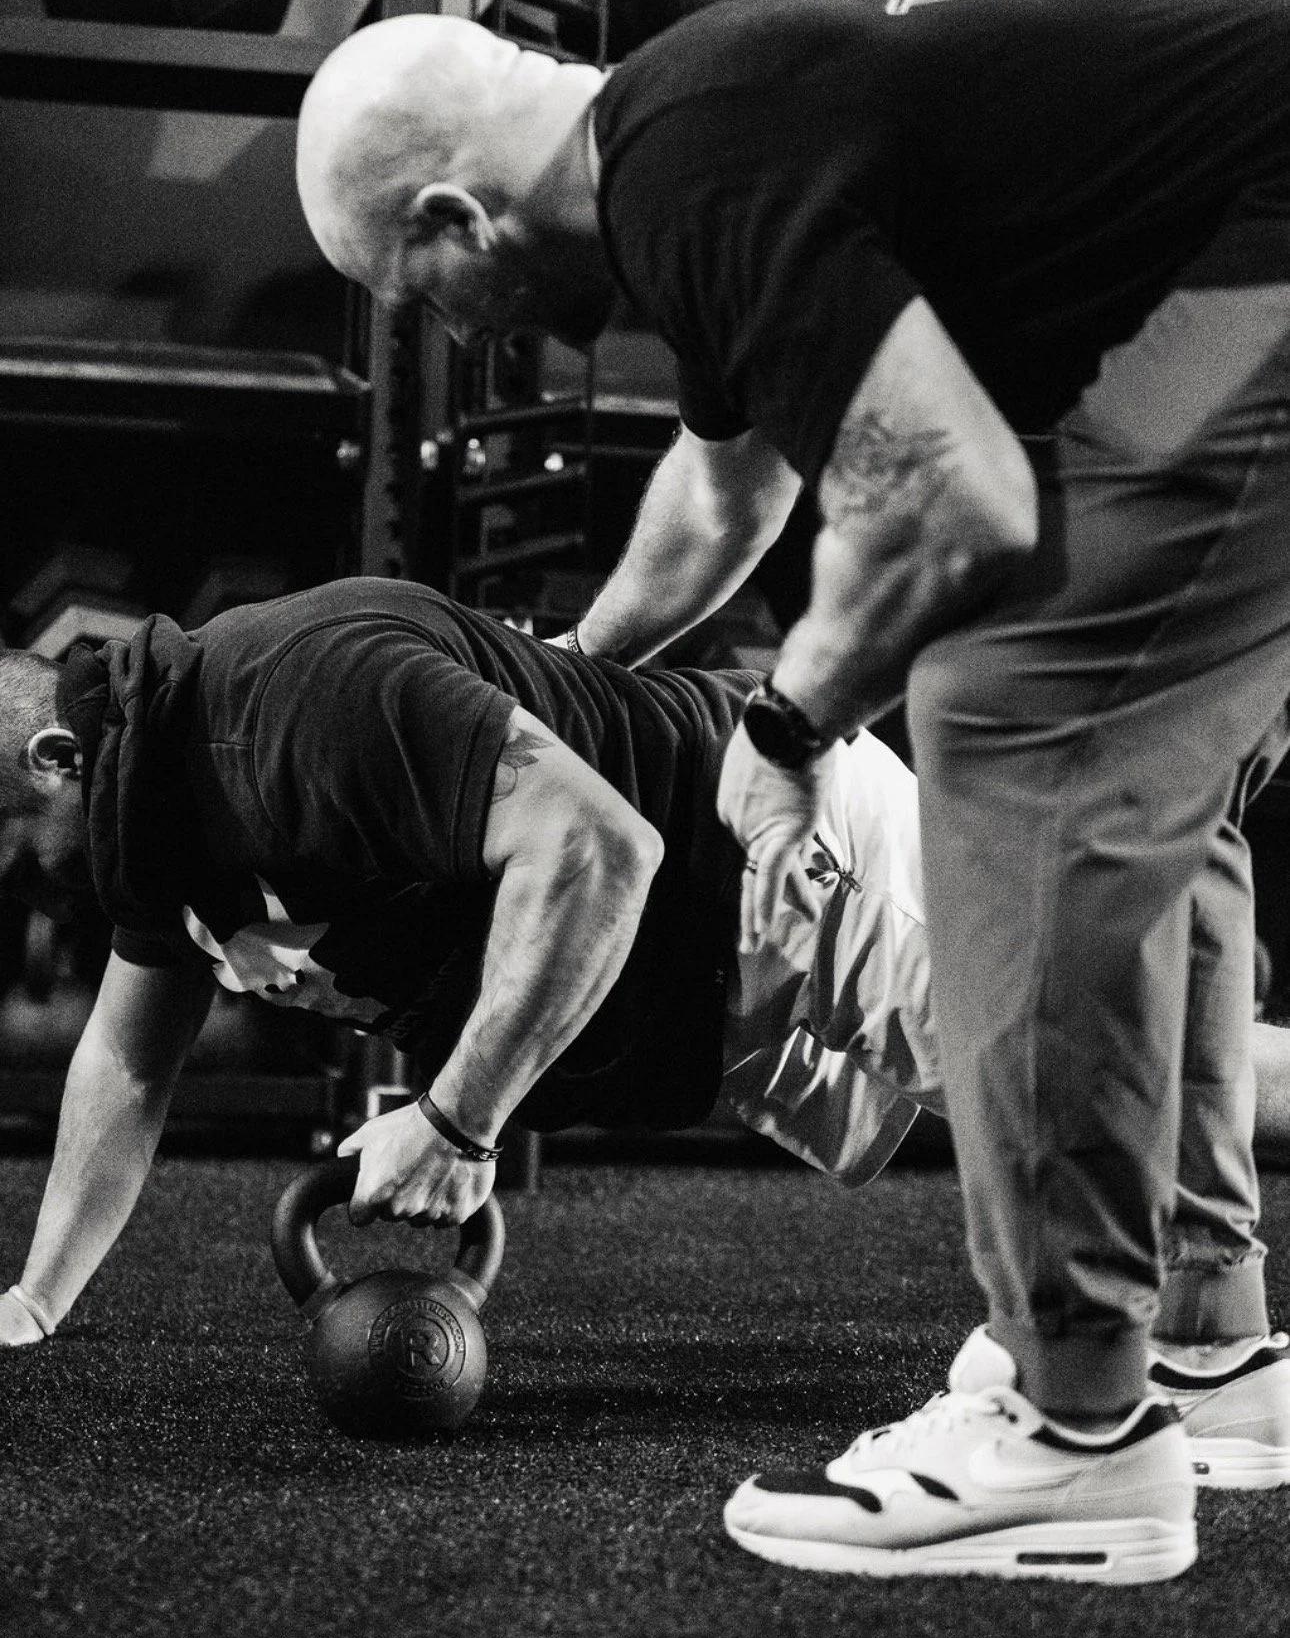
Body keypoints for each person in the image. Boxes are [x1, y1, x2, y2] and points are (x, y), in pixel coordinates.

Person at [294, 0, 1290, 1582]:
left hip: (1266, 253)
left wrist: (786, 728)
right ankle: (1199, 1337)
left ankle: (1073, 1429)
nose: (432, 325)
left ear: (458, 219)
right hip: (1247, 252)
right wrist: (556, 697)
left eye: (404, 291)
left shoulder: (696, 168)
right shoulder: (696, 119)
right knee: (1134, 769)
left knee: (1019, 717)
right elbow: (723, 496)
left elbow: (945, 506)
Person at [2, 581, 1289, 1508]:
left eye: (11, 834)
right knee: (1093, 1109)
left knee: (1109, 1094)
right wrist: (37, 1296)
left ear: (61, 757)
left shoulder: (283, 707)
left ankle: (1196, 1368)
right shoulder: (154, 823)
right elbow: (125, 1062)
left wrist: (458, 1121)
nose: (18, 874)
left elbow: (599, 848)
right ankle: (1200, 1340)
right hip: (719, 994)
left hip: (787, 869)